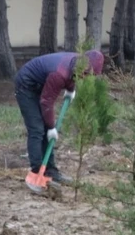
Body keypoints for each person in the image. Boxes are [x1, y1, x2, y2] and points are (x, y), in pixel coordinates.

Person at [15, 49, 105, 192]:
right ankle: (37, 171)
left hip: (41, 83)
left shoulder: (77, 65)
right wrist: (51, 127)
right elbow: (46, 102)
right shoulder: (58, 74)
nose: (86, 77)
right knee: (38, 129)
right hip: (26, 85)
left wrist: (70, 88)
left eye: (90, 75)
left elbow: (72, 76)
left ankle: (51, 171)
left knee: (44, 127)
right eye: (87, 74)